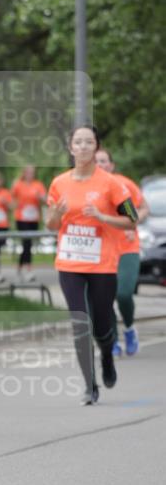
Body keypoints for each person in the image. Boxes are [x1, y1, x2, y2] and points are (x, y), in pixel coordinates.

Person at [45, 127, 137, 405]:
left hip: (102, 264)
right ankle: (89, 384)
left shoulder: (111, 184)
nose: (83, 146)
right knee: (79, 322)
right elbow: (51, 225)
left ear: (96, 147)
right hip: (70, 262)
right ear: (70, 147)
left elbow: (132, 219)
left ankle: (107, 355)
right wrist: (56, 215)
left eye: (89, 142)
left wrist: (102, 217)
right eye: (78, 142)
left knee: (101, 323)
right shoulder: (59, 183)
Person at [95, 149, 148, 356]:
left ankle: (129, 328)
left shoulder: (122, 185)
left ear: (111, 165)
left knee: (124, 294)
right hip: (100, 249)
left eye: (103, 161)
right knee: (104, 297)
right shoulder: (88, 188)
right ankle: (113, 341)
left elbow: (142, 208)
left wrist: (132, 223)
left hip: (126, 248)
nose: (99, 165)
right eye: (96, 161)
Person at [11, 165, 47, 281]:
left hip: (34, 218)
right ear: (24, 173)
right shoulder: (18, 184)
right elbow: (12, 199)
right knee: (26, 242)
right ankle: (28, 269)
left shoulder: (38, 185)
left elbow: (46, 200)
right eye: (28, 172)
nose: (30, 174)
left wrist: (40, 197)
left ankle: (19, 268)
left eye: (32, 172)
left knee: (28, 244)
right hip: (21, 218)